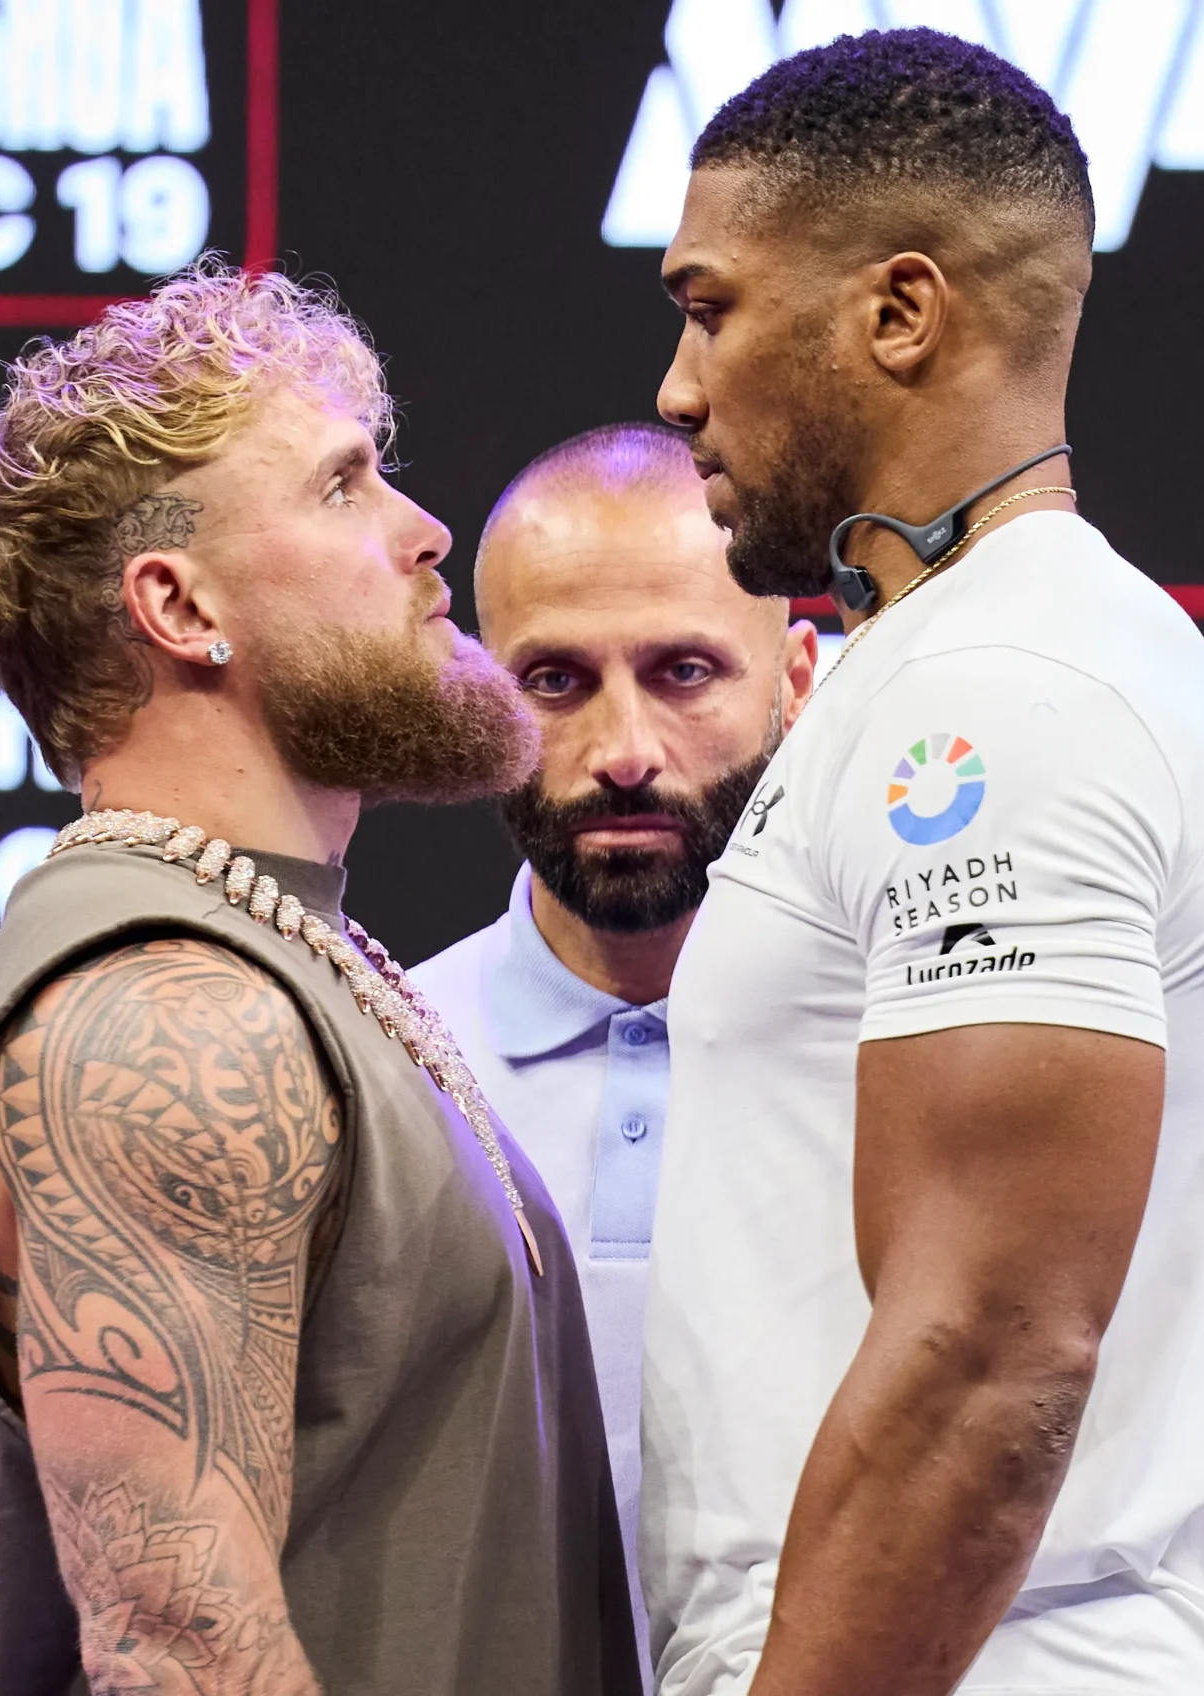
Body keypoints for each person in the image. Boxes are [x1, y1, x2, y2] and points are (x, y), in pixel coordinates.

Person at [637, 28, 1204, 1696]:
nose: (678, 387)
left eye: (709, 308)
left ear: (901, 314)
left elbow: (991, 1355)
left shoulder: (1001, 698)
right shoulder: (948, 668)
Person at [0, 263, 640, 1696]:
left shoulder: (296, 960)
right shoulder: (171, 1014)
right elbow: (181, 1649)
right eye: (345, 487)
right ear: (179, 606)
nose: (427, 535)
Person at [407, 422, 819, 1680]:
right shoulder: (387, 1066)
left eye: (686, 670)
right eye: (554, 681)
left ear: (797, 678)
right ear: (477, 691)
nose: (624, 748)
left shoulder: (903, 1060)